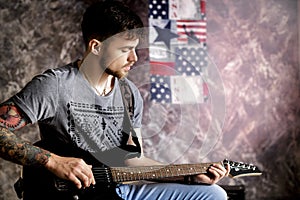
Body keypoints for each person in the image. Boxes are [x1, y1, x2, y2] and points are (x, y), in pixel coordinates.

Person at [0, 1, 229, 199]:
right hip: (72, 193)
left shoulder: (129, 94)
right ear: (96, 47)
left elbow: (132, 162)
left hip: (119, 190)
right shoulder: (55, 85)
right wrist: (53, 162)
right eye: (125, 50)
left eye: (135, 49)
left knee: (213, 194)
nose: (134, 58)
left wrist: (188, 175)